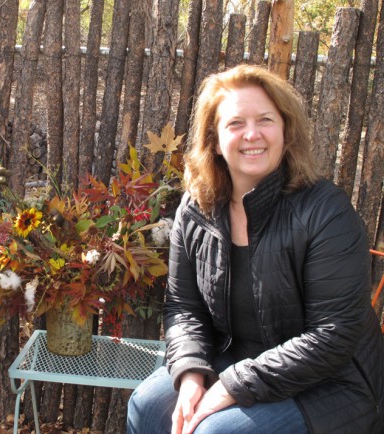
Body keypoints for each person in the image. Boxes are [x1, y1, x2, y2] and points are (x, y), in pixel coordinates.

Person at [127, 64, 384, 434]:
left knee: (217, 432)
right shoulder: (196, 208)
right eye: (235, 123)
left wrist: (231, 387)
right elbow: (184, 307)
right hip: (232, 359)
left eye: (265, 119)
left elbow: (334, 334)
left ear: (285, 131)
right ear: (214, 139)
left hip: (329, 382)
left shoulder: (326, 211)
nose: (252, 134)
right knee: (148, 407)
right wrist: (190, 373)